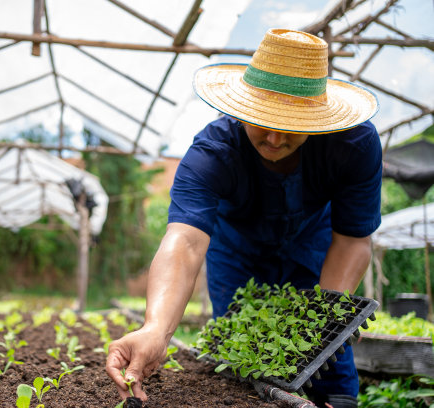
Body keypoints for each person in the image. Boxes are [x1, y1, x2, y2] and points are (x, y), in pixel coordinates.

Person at [106, 28, 381, 408]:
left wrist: (324, 321)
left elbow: (352, 239)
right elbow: (184, 242)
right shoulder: (213, 153)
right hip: (234, 253)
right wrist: (156, 329)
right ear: (243, 107)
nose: (272, 137)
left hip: (315, 248)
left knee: (327, 363)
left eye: (291, 125)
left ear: (317, 118)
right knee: (244, 358)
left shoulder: (354, 144)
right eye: (261, 119)